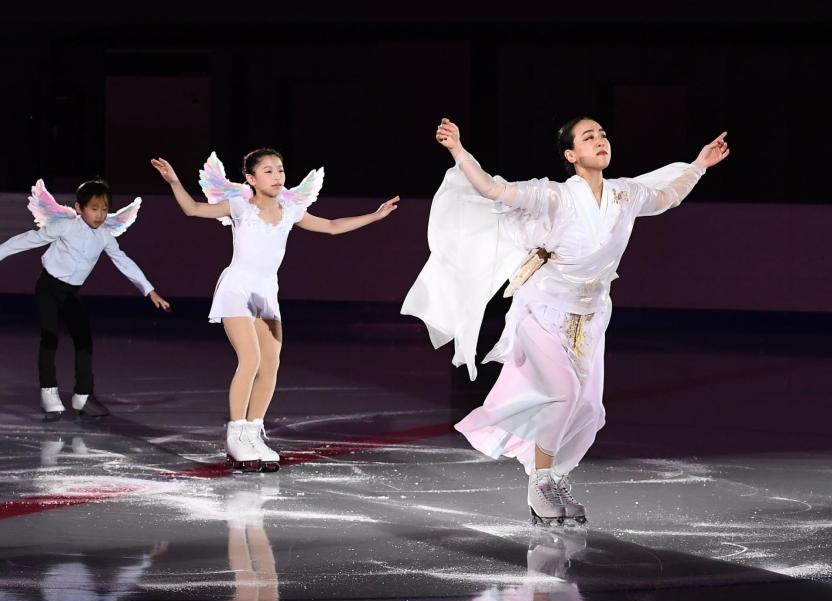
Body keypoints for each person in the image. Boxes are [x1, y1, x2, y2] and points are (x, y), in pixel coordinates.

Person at [402, 117, 729, 525]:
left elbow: (668, 196)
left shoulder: (624, 194)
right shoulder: (553, 197)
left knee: (588, 409)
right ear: (572, 155)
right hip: (542, 310)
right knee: (562, 393)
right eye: (589, 137)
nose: (601, 140)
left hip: (591, 318)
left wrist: (699, 165)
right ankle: (539, 483)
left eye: (604, 134)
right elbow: (491, 188)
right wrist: (457, 149)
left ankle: (555, 477)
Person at [151, 149, 400, 471]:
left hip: (267, 291)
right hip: (237, 288)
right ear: (251, 180)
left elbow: (332, 226)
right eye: (267, 171)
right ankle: (235, 434)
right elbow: (193, 209)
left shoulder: (291, 211)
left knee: (270, 364)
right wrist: (174, 182)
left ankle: (254, 433)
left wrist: (374, 215)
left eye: (280, 170)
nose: (277, 176)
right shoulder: (240, 206)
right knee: (250, 359)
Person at [0, 179, 170, 418]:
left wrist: (148, 289)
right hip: (48, 288)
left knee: (84, 340)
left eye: (104, 209)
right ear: (79, 208)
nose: (100, 215)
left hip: (71, 293)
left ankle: (83, 397)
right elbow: (28, 239)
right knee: (50, 338)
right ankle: (49, 395)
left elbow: (123, 261)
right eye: (94, 208)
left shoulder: (104, 237)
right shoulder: (65, 227)